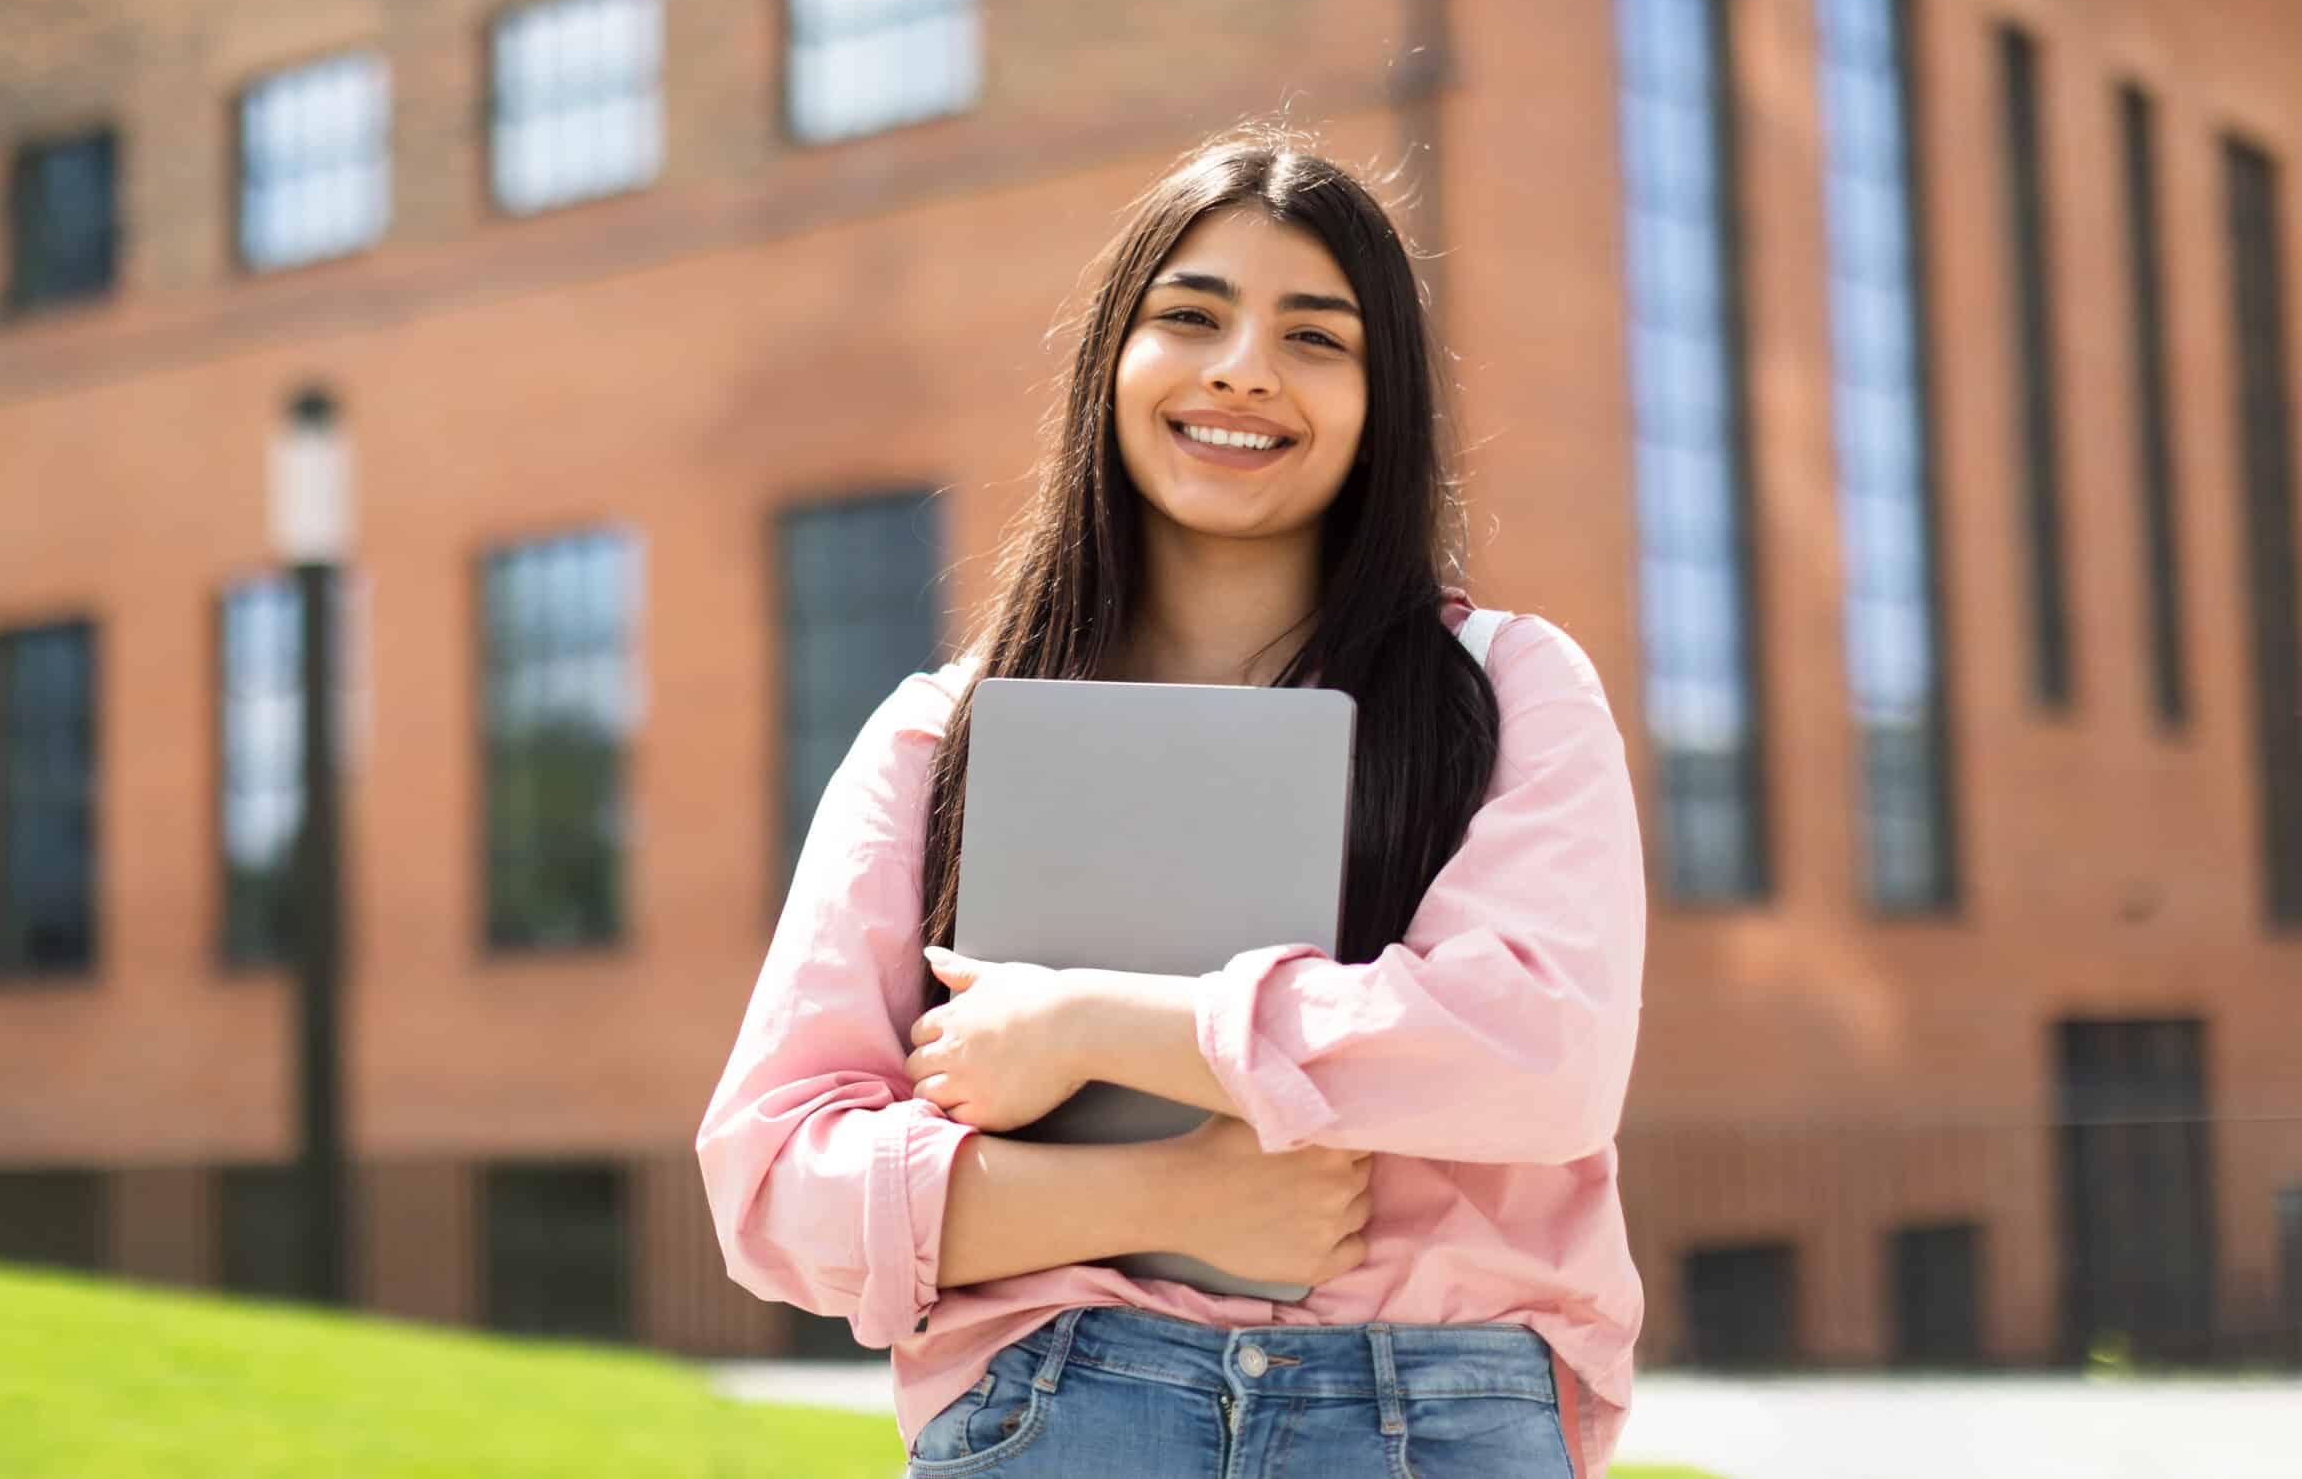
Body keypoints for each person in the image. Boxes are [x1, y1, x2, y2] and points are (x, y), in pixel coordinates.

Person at [697, 125, 1646, 1478]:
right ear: (1111, 366)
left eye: (1316, 337)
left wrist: (1095, 1023)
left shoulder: (1506, 688)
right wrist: (1163, 1190)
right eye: (1191, 315)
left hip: (1430, 1411)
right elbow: (772, 1180)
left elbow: (1542, 1052)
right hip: (1061, 1401)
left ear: (1387, 403)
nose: (1244, 366)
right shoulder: (936, 735)